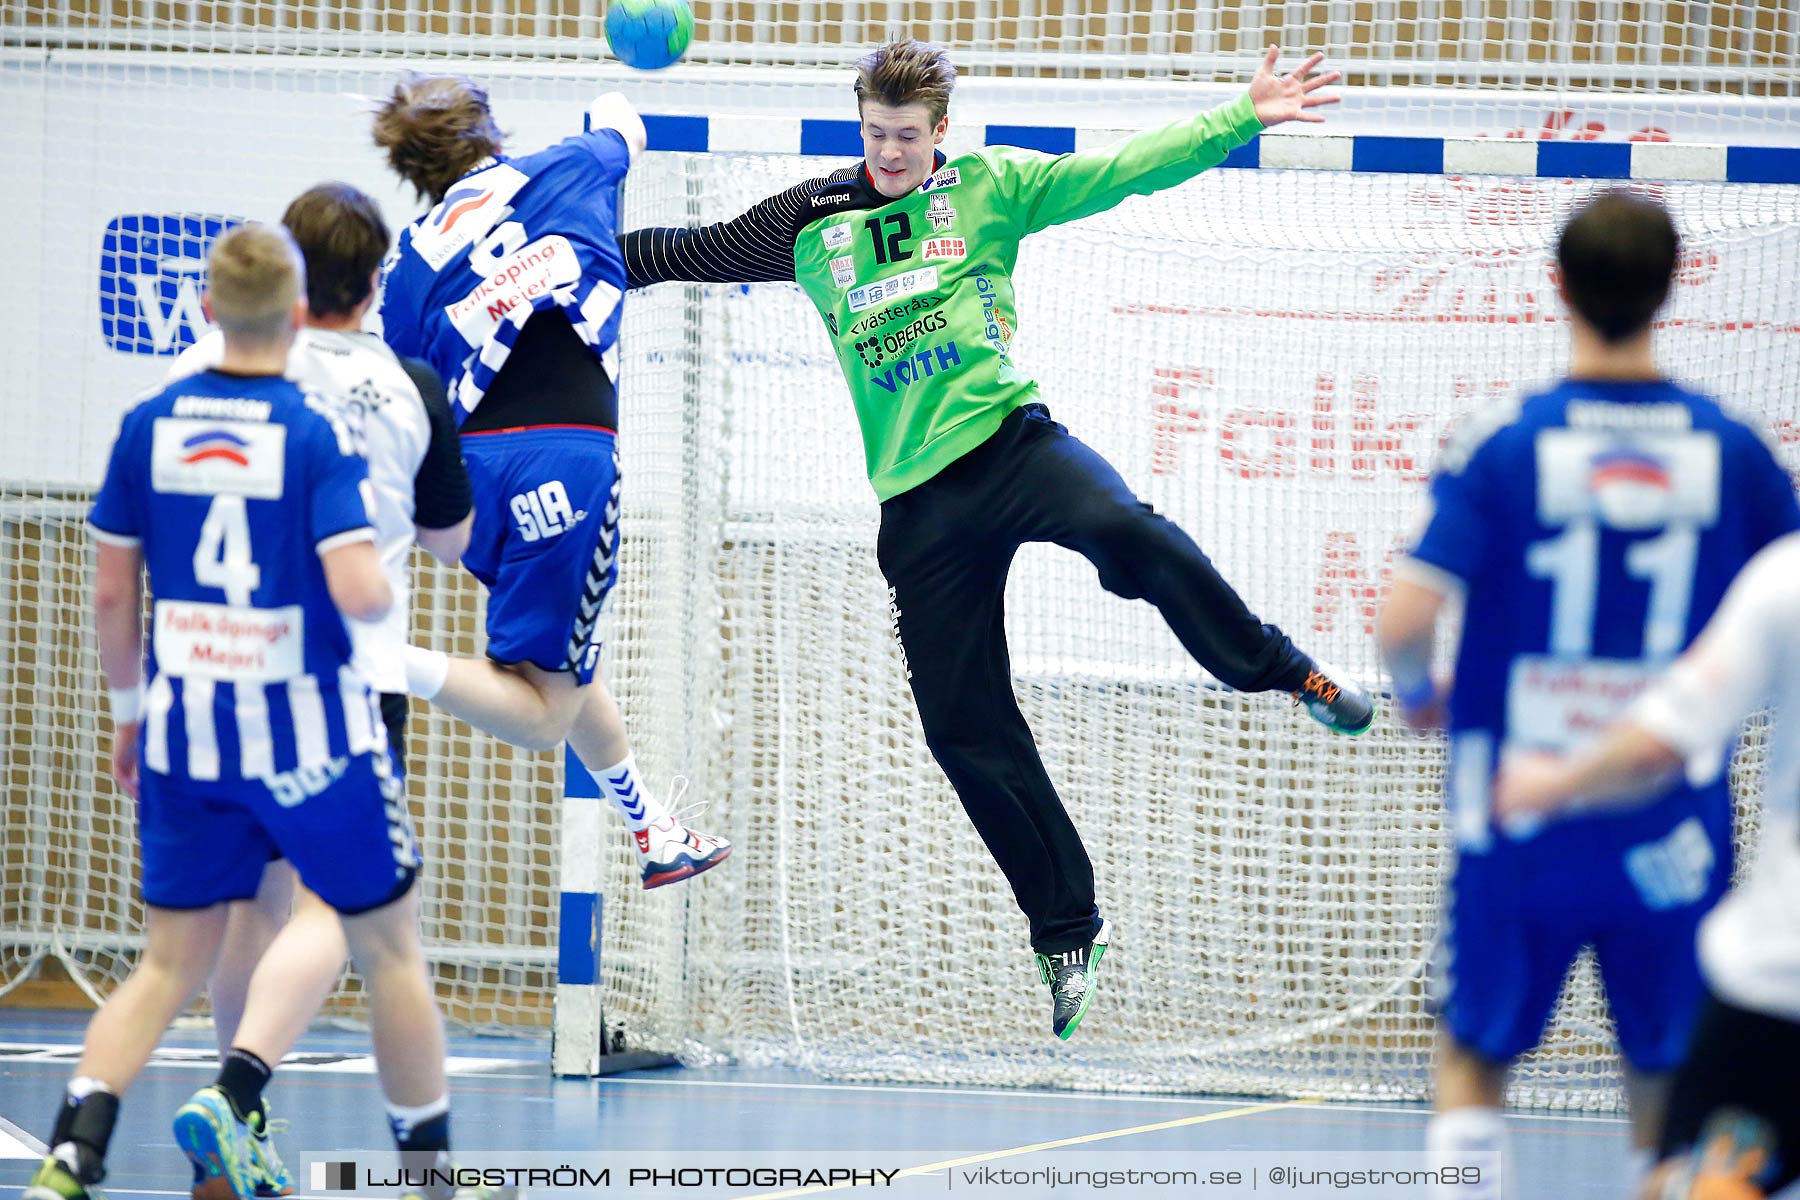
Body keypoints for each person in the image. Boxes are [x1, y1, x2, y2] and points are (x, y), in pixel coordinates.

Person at [617, 38, 1370, 1039]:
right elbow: (682, 254)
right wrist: (563, 252)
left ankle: (1286, 672)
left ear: (941, 134)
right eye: (876, 134)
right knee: (961, 726)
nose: (890, 153)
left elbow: (1124, 171)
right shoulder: (811, 223)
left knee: (1128, 533)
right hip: (919, 509)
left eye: (907, 137)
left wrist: (1242, 114)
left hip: (1013, 448)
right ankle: (1067, 930)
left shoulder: (988, 187)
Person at [23, 225, 479, 1200]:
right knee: (387, 942)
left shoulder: (150, 422)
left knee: (168, 962)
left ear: (203, 312)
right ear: (299, 316)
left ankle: (74, 1153)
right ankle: (432, 1178)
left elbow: (111, 596)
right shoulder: (312, 432)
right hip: (308, 730)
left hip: (187, 728)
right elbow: (360, 589)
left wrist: (129, 713)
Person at [1376, 192, 1800, 1197]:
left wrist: (1415, 692)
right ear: (1673, 290)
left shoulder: (1504, 440)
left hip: (1514, 806)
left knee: (1475, 1055)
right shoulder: (1736, 451)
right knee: (1664, 1080)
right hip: (1667, 820)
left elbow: (1401, 622)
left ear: (1556, 287)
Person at [162, 182, 475, 1198]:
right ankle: (246, 1094)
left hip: (221, 670)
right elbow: (449, 539)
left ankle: (238, 1126)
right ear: (378, 280)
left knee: (253, 905)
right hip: (343, 682)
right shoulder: (407, 384)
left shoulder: (230, 376)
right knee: (353, 918)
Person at [374, 75, 730, 889]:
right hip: (564, 459)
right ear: (489, 133)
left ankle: (653, 831)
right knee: (542, 716)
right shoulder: (562, 165)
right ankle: (385, 662)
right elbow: (620, 123)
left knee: (565, 665)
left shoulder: (408, 266)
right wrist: (624, 82)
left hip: (470, 480)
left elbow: (410, 390)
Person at [1494, 531, 1800, 1200]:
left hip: (1781, 976)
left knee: (1705, 1176)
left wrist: (1555, 782)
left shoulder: (1785, 580)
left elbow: (1664, 736)